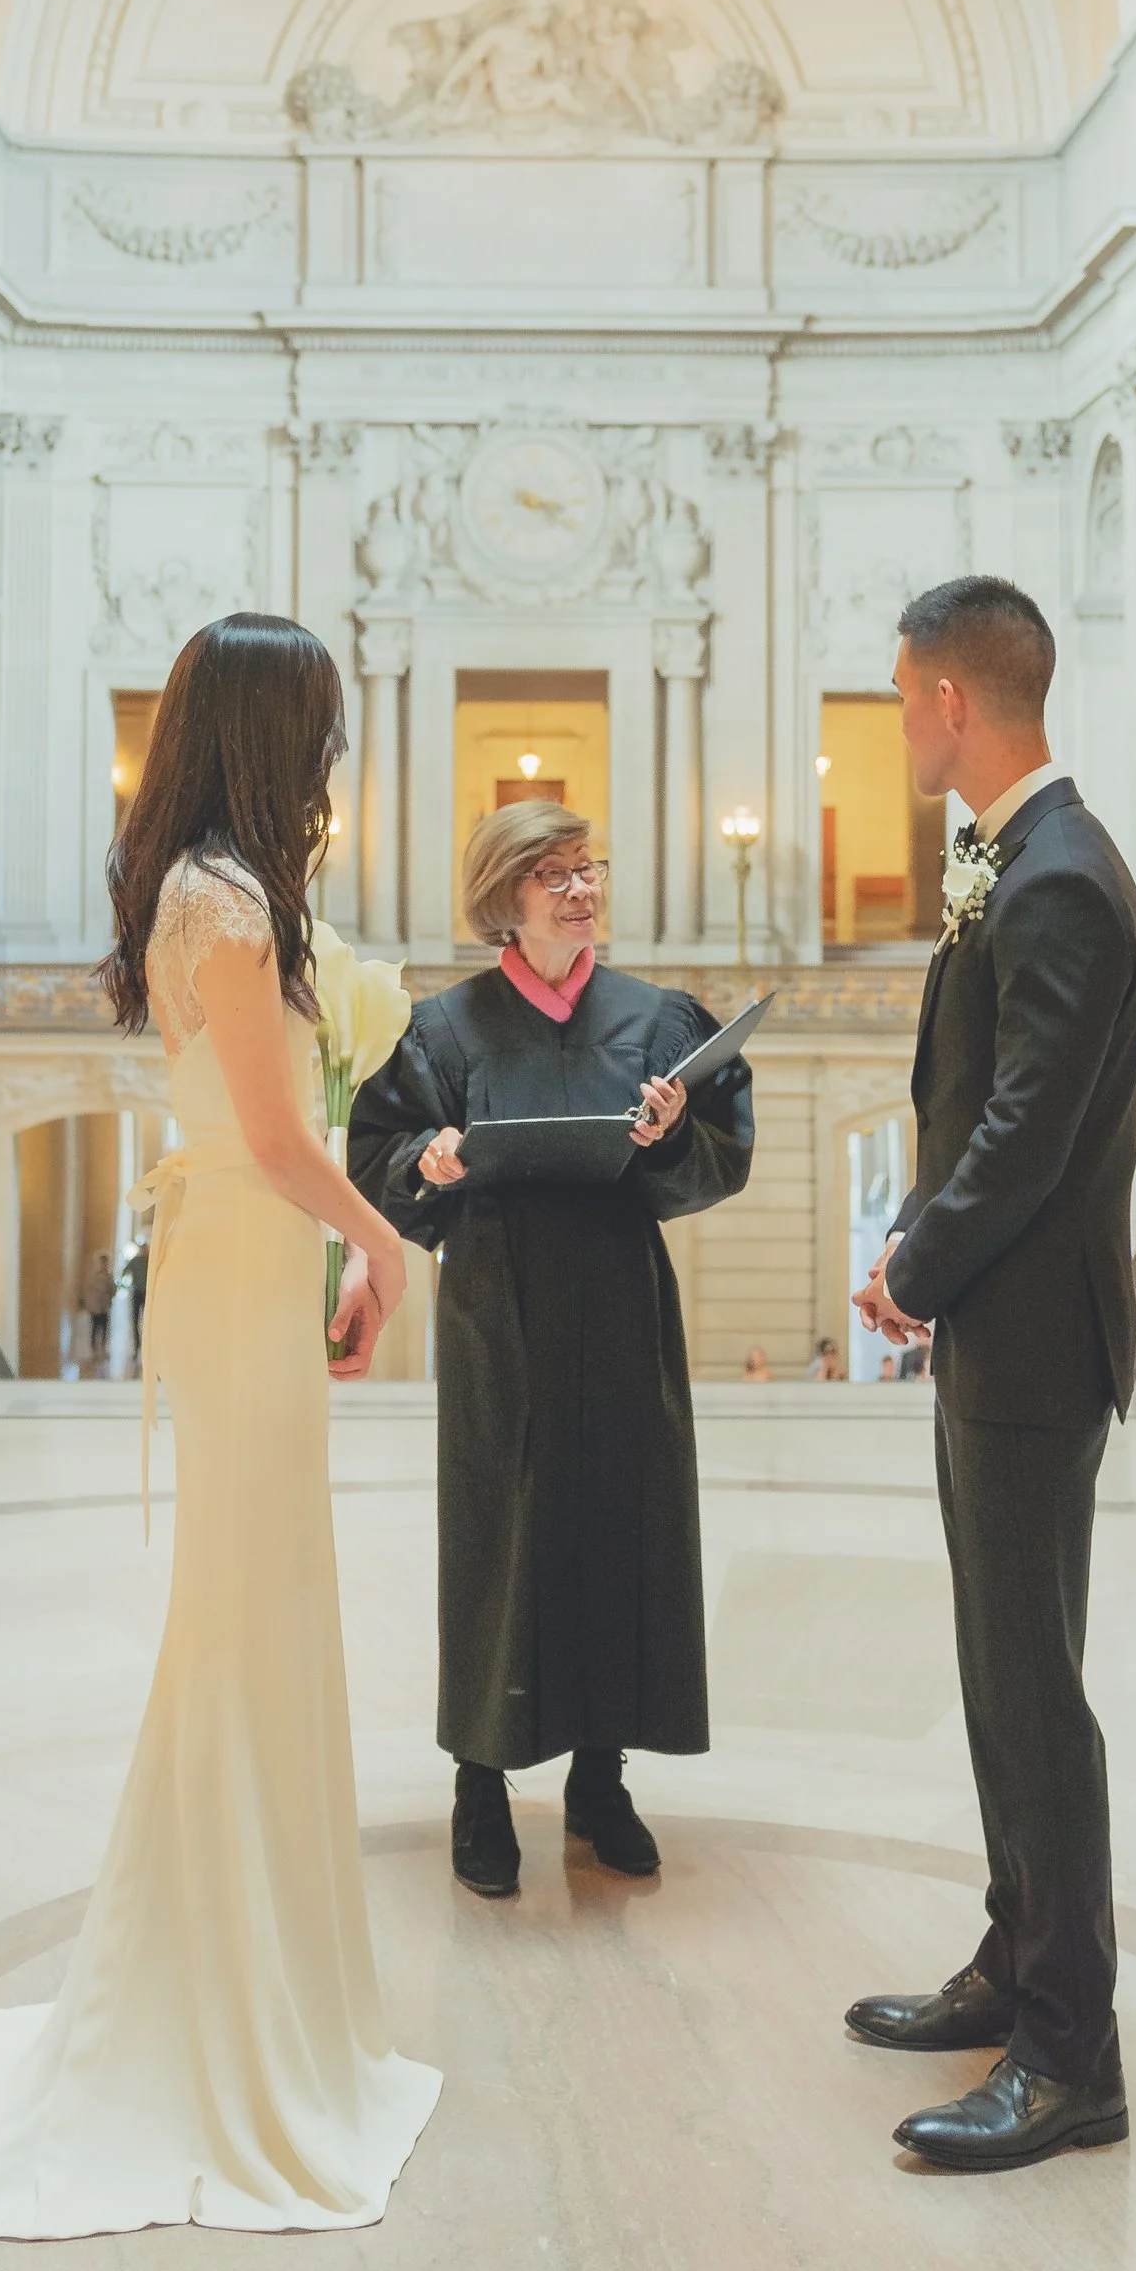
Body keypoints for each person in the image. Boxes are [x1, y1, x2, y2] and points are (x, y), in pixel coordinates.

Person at [0, 614, 439, 2237]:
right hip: (243, 1258)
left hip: (252, 1257)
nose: (332, 757)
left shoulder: (217, 891)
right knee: (242, 1625)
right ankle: (213, 2005)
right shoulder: (219, 901)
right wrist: (378, 1238)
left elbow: (276, 1127)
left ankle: (263, 1983)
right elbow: (266, 1125)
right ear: (264, 731)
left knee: (265, 1617)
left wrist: (342, 1245)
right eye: (316, 725)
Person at [846, 575, 1136, 2175]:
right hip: (1002, 1334)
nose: (899, 720)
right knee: (1000, 1676)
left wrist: (915, 1265)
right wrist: (919, 1239)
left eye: (902, 695)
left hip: (1031, 1347)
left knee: (1035, 1695)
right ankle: (1012, 1957)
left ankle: (1069, 2050)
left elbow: (1030, 1132)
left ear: (954, 701)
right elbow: (977, 1110)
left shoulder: (1057, 881)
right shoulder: (1021, 861)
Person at [350, 797, 753, 1897]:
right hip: (499, 1316)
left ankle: (600, 1781)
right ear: (505, 899)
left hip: (623, 1302)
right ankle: (479, 1787)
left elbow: (721, 1153)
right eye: (556, 876)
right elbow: (380, 1157)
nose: (582, 891)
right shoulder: (446, 1030)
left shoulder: (658, 1019)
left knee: (620, 1528)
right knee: (502, 1539)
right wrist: (423, 1169)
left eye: (589, 869)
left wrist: (674, 1134)